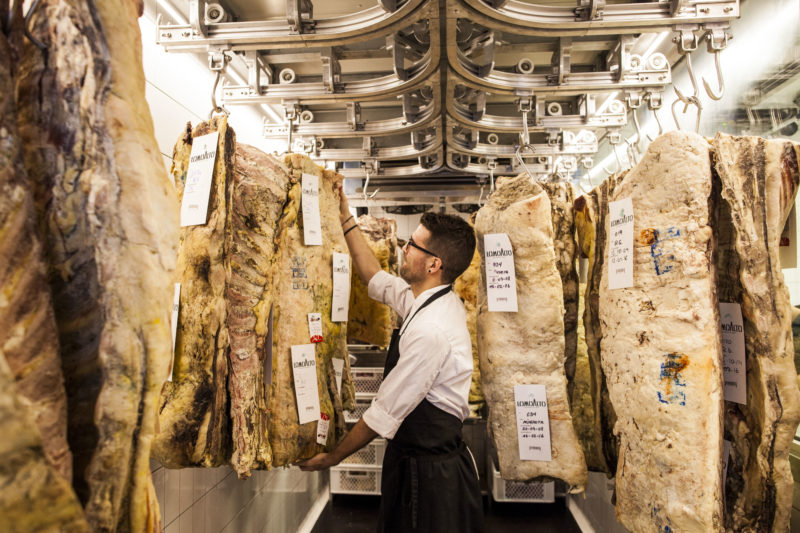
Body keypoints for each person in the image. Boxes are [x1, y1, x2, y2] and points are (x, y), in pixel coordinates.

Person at [298, 187, 484, 533]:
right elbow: (375, 277)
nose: (404, 248)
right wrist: (345, 217)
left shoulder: (432, 329)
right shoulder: (425, 299)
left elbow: (384, 412)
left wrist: (334, 457)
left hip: (431, 480)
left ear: (434, 264)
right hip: (416, 464)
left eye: (412, 245)